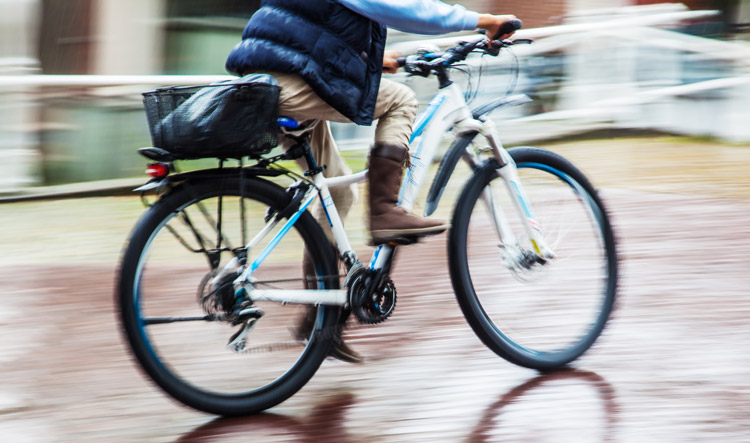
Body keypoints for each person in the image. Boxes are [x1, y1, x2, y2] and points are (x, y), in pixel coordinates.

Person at [226, 0, 518, 362]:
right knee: (401, 101)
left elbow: (312, 27)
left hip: (271, 76)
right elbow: (408, 10)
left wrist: (373, 59)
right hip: (293, 80)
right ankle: (384, 212)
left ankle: (321, 320)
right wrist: (483, 20)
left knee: (338, 190)